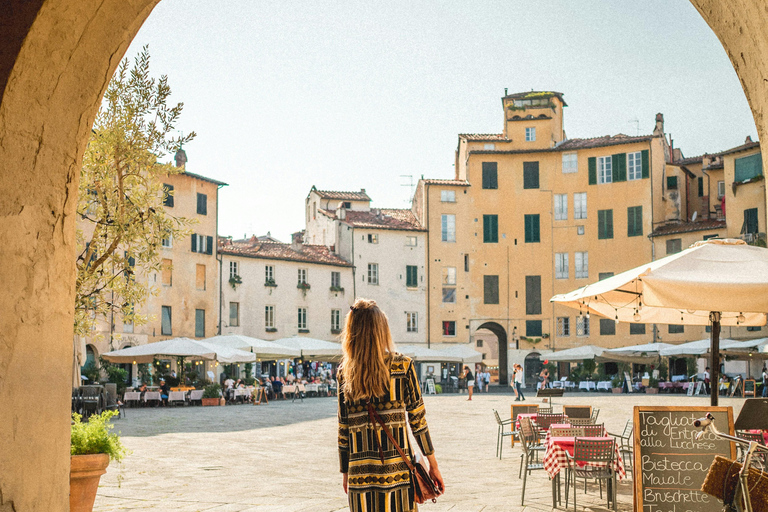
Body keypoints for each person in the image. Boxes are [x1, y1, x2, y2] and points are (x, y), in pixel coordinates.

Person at [338, 299, 444, 511]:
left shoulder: (345, 373)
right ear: (382, 330)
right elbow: (418, 422)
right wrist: (433, 465)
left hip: (360, 477)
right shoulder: (403, 366)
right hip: (397, 476)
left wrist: (346, 473)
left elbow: (344, 429)